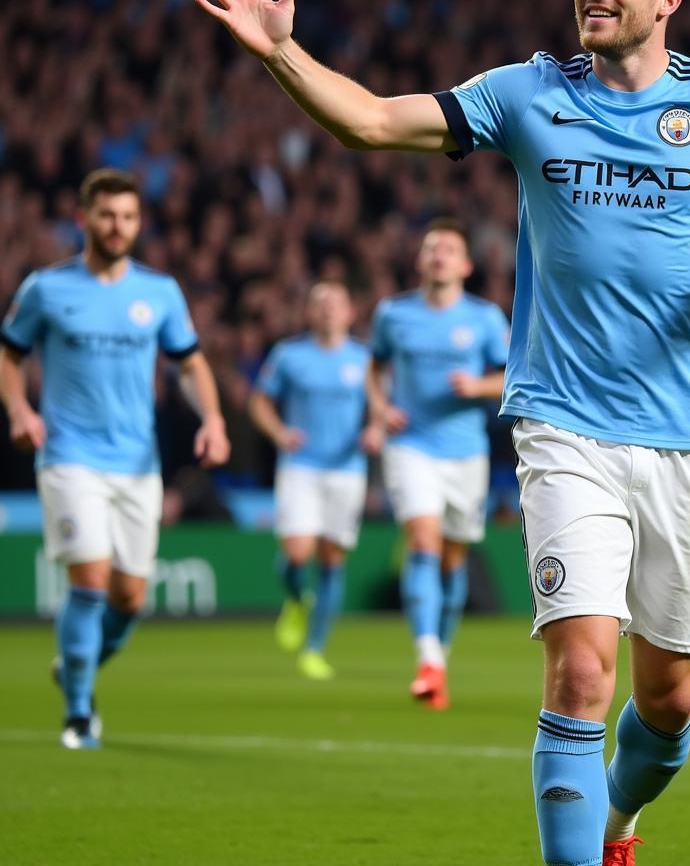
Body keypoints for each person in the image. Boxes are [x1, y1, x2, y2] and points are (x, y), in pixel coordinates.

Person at [197, 0, 690, 866]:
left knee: (671, 699)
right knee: (579, 675)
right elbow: (370, 122)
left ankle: (618, 824)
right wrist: (281, 54)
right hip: (564, 429)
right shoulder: (527, 92)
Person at [0, 169, 230, 750]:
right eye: (106, 215)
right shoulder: (46, 289)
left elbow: (190, 362)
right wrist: (21, 411)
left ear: (138, 223)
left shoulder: (159, 293)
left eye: (128, 216)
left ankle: (75, 665)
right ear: (84, 220)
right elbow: (8, 355)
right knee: (90, 582)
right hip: (69, 457)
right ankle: (78, 713)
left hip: (137, 463)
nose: (117, 226)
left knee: (129, 600)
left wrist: (214, 419)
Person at [364, 220, 509, 710]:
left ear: (466, 265)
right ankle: (426, 657)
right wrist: (381, 409)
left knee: (453, 560)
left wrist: (478, 387)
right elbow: (374, 367)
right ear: (420, 261)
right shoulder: (394, 314)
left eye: (449, 248)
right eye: (431, 249)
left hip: (466, 454)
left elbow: (513, 374)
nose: (439, 255)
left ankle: (439, 659)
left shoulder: (485, 318)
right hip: (411, 448)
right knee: (422, 540)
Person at [249, 282, 371, 681]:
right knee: (298, 552)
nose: (327, 310)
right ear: (308, 313)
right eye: (319, 303)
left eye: (336, 303)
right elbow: (259, 402)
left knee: (333, 559)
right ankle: (296, 599)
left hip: (347, 468)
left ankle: (314, 649)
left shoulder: (364, 359)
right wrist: (280, 432)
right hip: (300, 465)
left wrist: (376, 431)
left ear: (350, 313)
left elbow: (382, 409)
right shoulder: (289, 355)